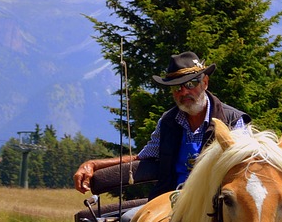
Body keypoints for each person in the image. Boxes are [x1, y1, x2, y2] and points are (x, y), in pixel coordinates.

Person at [73, 51, 249, 196]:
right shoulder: (168, 122)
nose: (183, 91)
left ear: (205, 82)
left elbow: (248, 168)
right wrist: (93, 165)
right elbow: (141, 158)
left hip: (216, 205)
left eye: (190, 83)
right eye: (176, 87)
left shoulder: (232, 120)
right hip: (170, 201)